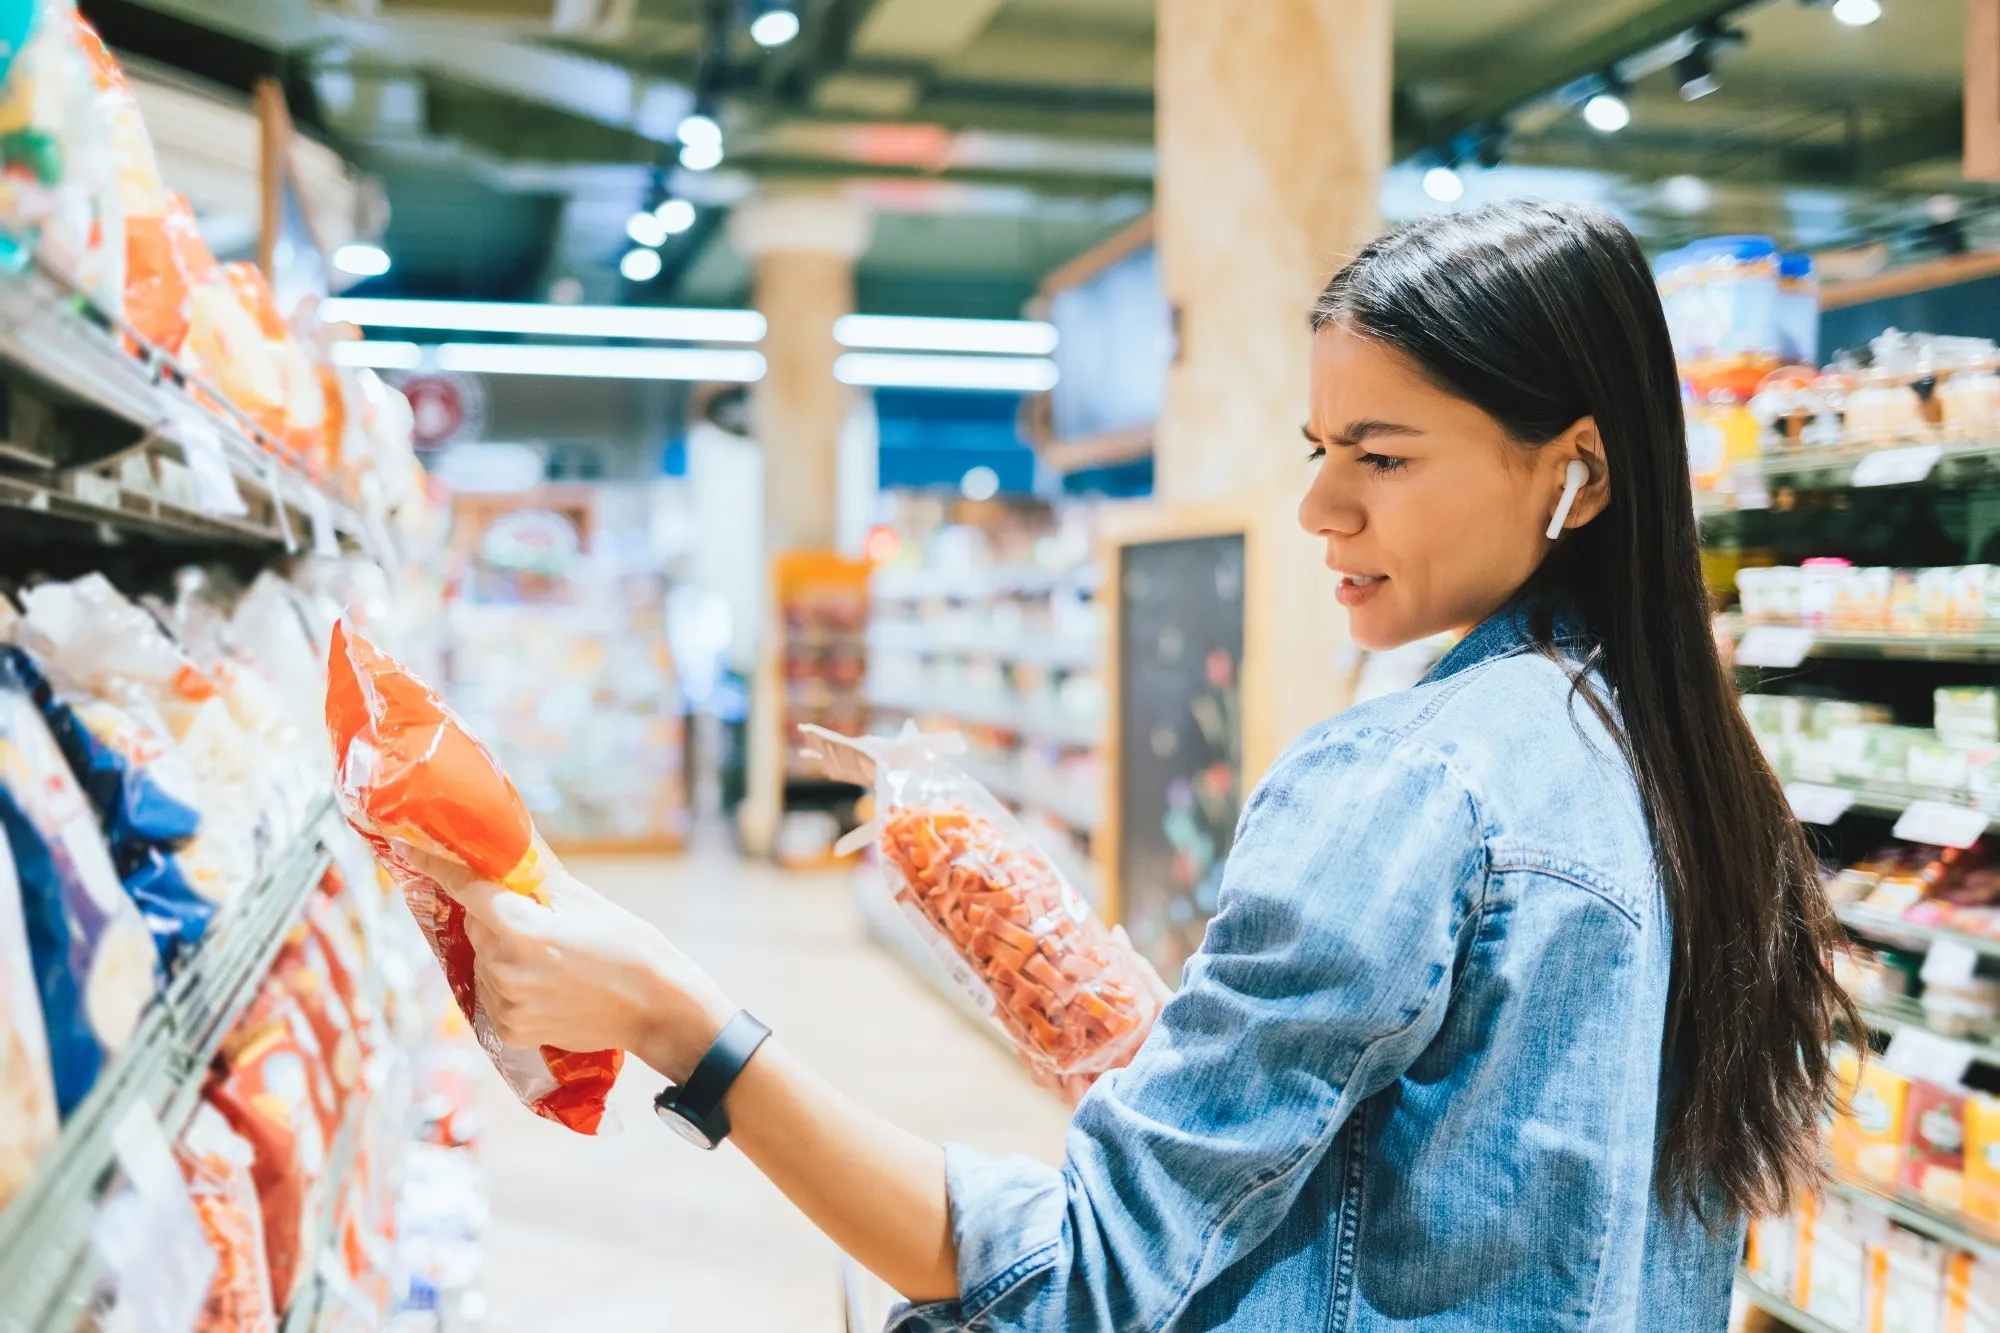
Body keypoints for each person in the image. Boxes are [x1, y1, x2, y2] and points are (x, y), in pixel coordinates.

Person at [441, 200, 1854, 1330]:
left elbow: (1085, 1290)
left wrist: (680, 1017)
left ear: (1580, 475)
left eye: (1383, 456)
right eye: (1318, 446)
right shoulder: (1692, 777)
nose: (1316, 504)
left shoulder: (1409, 787)